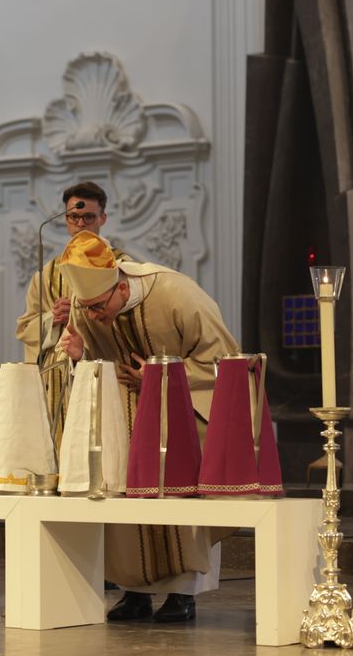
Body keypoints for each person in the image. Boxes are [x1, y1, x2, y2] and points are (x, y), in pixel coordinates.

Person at [57, 230, 239, 623]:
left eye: (98, 307)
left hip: (181, 416)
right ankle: (134, 591)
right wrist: (79, 355)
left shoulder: (176, 293)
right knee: (123, 505)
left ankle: (182, 594)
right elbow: (94, 359)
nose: (92, 316)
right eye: (86, 308)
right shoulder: (86, 307)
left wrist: (161, 378)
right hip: (123, 417)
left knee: (178, 505)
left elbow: (223, 360)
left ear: (122, 287)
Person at [14, 181, 128, 447]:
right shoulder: (47, 274)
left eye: (88, 217)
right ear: (66, 219)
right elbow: (25, 328)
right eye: (73, 217)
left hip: (102, 367)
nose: (80, 224)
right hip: (57, 376)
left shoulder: (121, 265)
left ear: (102, 218)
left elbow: (129, 318)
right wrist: (51, 320)